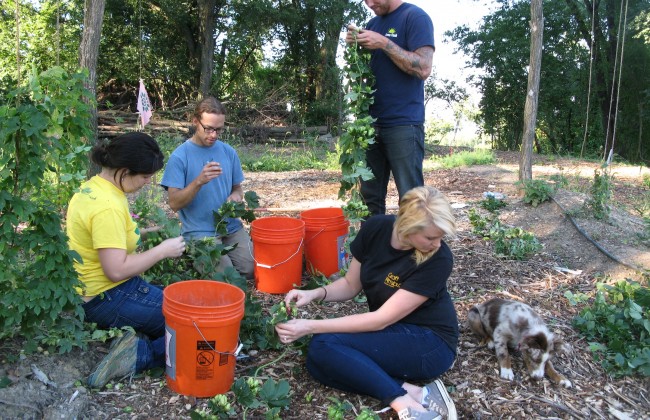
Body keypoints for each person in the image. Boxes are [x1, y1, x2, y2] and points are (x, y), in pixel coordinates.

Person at [275, 186, 458, 420]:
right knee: (317, 361)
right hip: (392, 332)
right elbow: (351, 284)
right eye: (431, 237)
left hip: (429, 343)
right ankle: (418, 393)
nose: (438, 244)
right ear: (407, 227)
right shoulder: (376, 229)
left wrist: (309, 325)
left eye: (441, 237)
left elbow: (380, 320)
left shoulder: (439, 259)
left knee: (323, 346)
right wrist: (315, 293)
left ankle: (406, 405)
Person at [66, 133, 186, 388]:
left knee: (181, 301)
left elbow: (105, 238)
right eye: (144, 176)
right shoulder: (107, 207)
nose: (148, 182)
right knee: (192, 323)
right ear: (124, 170)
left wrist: (146, 233)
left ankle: (135, 335)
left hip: (96, 292)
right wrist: (162, 250)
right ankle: (136, 355)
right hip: (106, 296)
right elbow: (115, 270)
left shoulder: (93, 188)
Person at [345, 0, 435, 216]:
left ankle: (415, 250)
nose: (369, 3)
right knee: (370, 198)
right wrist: (356, 45)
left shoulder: (415, 17)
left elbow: (423, 68)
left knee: (412, 198)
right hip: (370, 125)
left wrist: (384, 43)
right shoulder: (373, 24)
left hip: (403, 124)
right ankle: (375, 248)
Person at [161, 97, 254, 279]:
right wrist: (198, 182)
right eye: (209, 128)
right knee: (227, 279)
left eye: (218, 129)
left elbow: (237, 189)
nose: (213, 135)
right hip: (200, 233)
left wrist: (235, 196)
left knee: (251, 270)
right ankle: (194, 256)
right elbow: (174, 203)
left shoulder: (228, 152)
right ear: (195, 121)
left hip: (230, 227)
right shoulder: (180, 157)